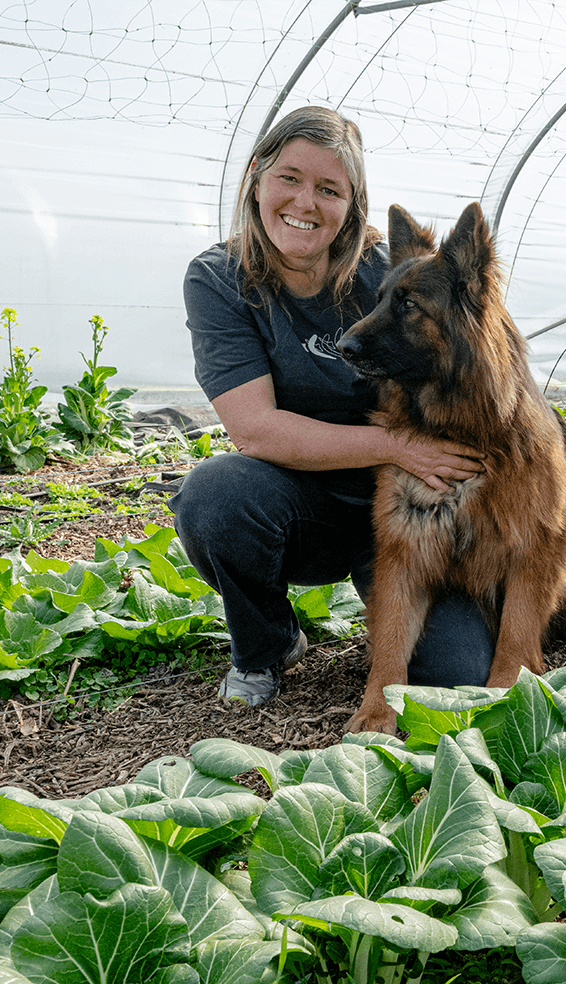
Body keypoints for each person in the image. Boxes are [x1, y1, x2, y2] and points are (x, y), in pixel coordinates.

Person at [170, 106, 493, 707]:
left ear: (352, 204)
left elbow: (487, 363)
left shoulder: (387, 271)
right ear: (257, 178)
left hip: (407, 505)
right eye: (289, 178)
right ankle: (267, 643)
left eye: (329, 189)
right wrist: (398, 445)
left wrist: (560, 459)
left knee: (456, 674)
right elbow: (256, 431)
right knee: (215, 495)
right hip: (303, 506)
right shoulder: (218, 279)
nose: (305, 202)